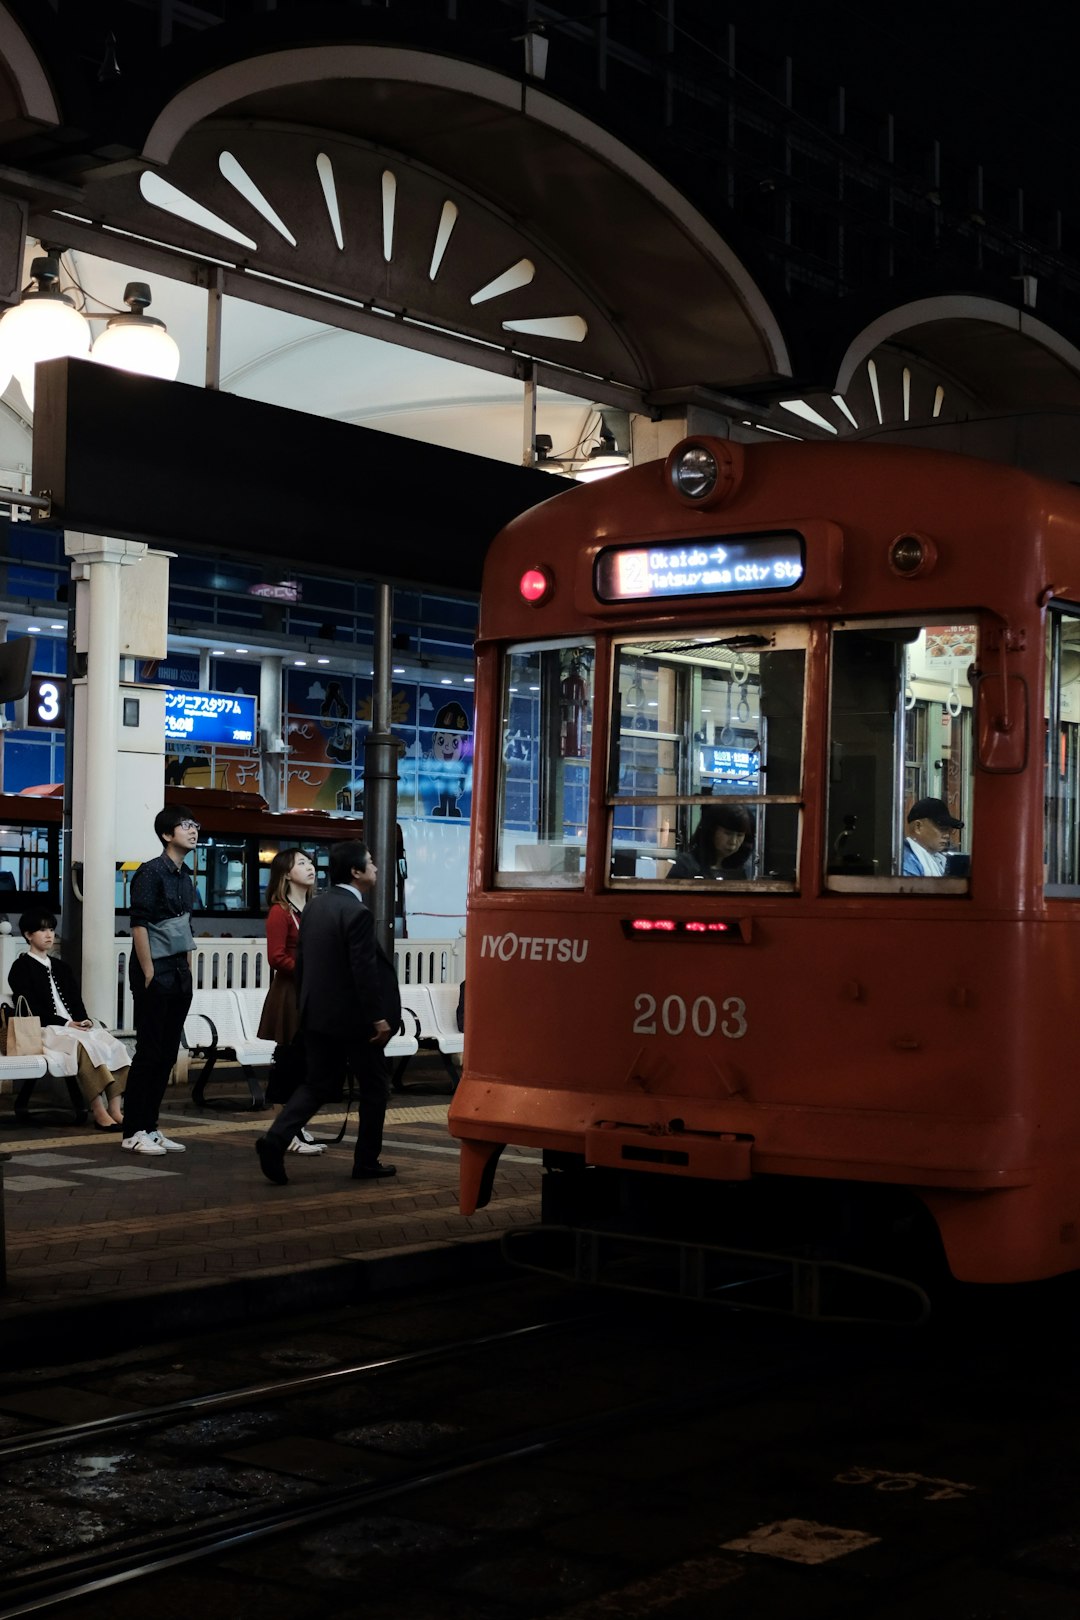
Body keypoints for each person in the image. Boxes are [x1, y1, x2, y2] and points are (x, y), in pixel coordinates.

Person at [254, 839, 401, 1187]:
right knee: (375, 1088)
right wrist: (377, 1017)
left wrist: (307, 1005)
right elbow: (362, 970)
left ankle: (276, 1139)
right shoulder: (357, 913)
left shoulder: (316, 908)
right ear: (356, 871)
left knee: (317, 1083)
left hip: (316, 1014)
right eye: (371, 862)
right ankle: (366, 1161)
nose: (376, 868)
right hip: (355, 1020)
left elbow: (303, 964)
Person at [8, 909, 130, 1130]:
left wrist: (84, 1020)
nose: (49, 935)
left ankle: (115, 1109)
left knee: (114, 1044)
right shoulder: (21, 968)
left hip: (73, 1028)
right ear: (28, 935)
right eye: (42, 930)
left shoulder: (62, 968)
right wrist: (65, 1023)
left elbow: (75, 1001)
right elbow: (32, 1008)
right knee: (83, 1047)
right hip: (46, 1030)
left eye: (52, 929)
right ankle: (99, 1111)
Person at [122, 805, 198, 1156]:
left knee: (167, 1054)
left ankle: (151, 1127)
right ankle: (133, 1130)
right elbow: (139, 924)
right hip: (156, 973)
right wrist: (150, 971)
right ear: (168, 834)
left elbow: (184, 927)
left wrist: (186, 965)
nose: (193, 830)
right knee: (149, 1053)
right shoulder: (150, 872)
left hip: (179, 975)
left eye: (195, 825)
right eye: (186, 825)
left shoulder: (185, 876)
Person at [256, 847, 324, 1157]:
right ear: (286, 873)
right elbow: (276, 957)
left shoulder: (313, 908)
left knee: (305, 1061)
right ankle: (284, 1129)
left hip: (311, 993)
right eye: (302, 863)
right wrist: (311, 970)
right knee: (289, 1060)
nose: (310, 867)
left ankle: (291, 1126)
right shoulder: (279, 912)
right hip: (291, 995)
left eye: (310, 862)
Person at [667, 803, 755, 880]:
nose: (733, 842)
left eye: (740, 835)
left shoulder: (740, 869)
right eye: (728, 833)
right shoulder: (686, 865)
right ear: (711, 831)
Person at [902, 796, 964, 877]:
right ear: (918, 827)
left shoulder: (936, 859)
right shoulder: (907, 863)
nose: (947, 835)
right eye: (942, 828)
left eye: (949, 830)